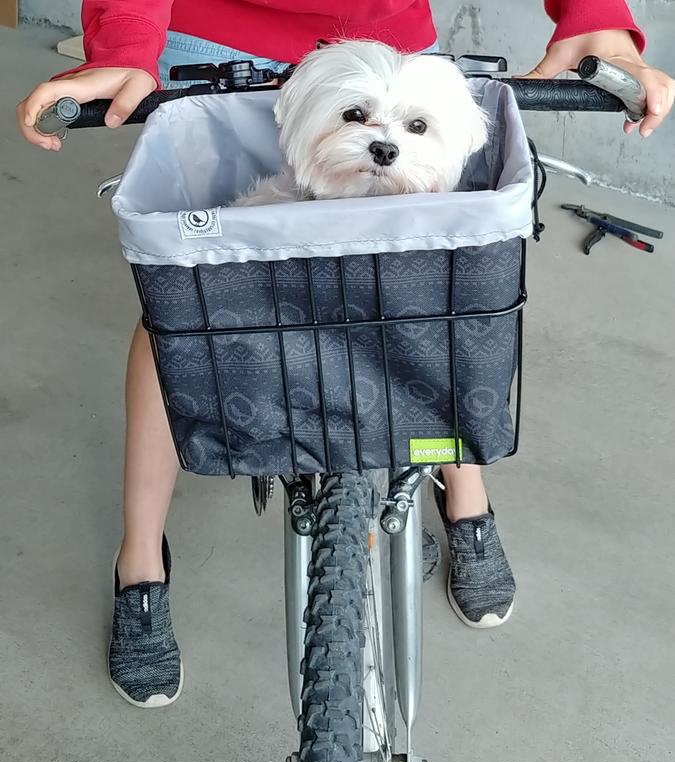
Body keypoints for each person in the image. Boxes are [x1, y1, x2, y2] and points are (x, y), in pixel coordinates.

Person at [17, 0, 675, 708]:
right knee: (187, 305)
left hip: (386, 50)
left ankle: (466, 495)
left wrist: (591, 12)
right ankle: (140, 560)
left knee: (438, 290)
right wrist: (125, 39)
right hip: (211, 35)